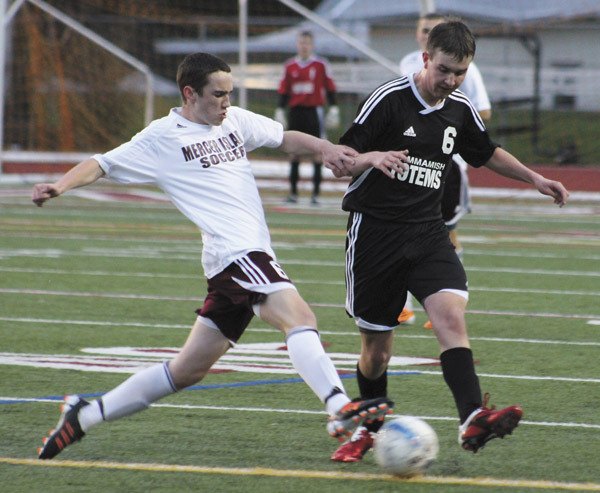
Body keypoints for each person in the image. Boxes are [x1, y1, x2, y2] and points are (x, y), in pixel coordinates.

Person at [32, 52, 393, 461]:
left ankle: (85, 414)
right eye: (218, 94)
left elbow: (283, 138)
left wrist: (325, 147)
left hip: (235, 262)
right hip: (236, 254)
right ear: (189, 94)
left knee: (185, 372)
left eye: (229, 93)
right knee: (301, 318)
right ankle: (337, 408)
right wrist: (59, 186)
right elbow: (101, 164)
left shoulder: (234, 120)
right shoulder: (162, 137)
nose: (226, 102)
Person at [325, 21, 569, 462]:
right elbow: (340, 162)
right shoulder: (388, 100)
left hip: (427, 232)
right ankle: (370, 429)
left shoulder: (459, 107)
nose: (451, 81)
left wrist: (534, 177)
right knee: (376, 350)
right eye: (444, 70)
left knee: (450, 319)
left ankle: (472, 416)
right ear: (425, 59)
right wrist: (370, 158)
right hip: (376, 233)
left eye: (460, 72)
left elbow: (486, 151)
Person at [398, 13, 493, 328]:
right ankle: (402, 305)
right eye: (423, 29)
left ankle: (448, 300)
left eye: (433, 29)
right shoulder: (406, 63)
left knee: (446, 232)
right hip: (412, 163)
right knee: (399, 230)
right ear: (418, 36)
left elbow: (482, 111)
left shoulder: (464, 69)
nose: (427, 34)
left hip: (448, 165)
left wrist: (446, 128)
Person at [275, 30, 340, 205]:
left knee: (317, 153)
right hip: (296, 112)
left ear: (312, 45)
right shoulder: (289, 66)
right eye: (301, 43)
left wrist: (333, 108)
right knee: (294, 153)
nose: (304, 46)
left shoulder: (320, 65)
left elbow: (330, 86)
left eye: (307, 43)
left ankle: (315, 195)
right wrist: (280, 109)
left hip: (313, 111)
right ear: (297, 45)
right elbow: (284, 89)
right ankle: (294, 194)